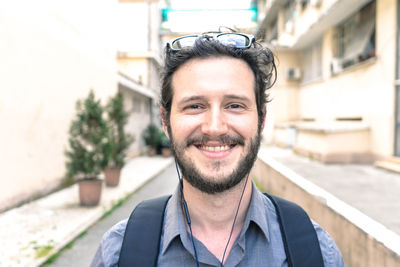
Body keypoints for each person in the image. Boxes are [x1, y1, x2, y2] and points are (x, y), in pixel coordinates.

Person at [91, 32, 345, 267]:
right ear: (166, 122)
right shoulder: (117, 254)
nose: (214, 127)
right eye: (195, 106)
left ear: (262, 119)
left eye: (234, 105)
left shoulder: (318, 253)